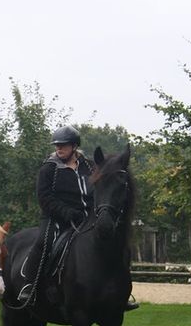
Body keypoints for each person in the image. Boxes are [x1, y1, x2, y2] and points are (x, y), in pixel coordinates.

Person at [17, 125, 138, 311]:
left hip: (87, 216)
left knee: (115, 242)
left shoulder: (89, 166)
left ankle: (120, 292)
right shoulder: (49, 168)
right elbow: (45, 198)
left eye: (63, 145)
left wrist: (93, 210)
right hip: (56, 218)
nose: (59, 148)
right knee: (44, 241)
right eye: (57, 145)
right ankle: (29, 285)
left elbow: (100, 189)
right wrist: (67, 212)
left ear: (74, 146)